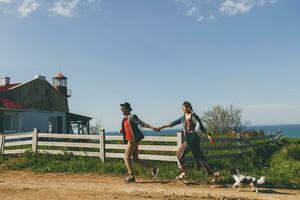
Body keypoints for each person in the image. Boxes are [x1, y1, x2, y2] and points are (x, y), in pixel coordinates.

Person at [158, 101, 220, 182]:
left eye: (184, 107)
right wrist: (162, 127)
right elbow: (172, 124)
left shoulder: (194, 116)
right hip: (188, 139)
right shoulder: (183, 117)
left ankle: (185, 172)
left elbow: (201, 127)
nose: (183, 109)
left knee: (184, 154)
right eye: (182, 108)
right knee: (197, 157)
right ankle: (214, 174)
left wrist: (208, 135)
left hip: (193, 138)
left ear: (188, 107)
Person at [120, 102, 159, 183]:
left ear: (128, 109)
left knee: (126, 158)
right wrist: (122, 130)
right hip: (130, 140)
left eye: (123, 109)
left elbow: (142, 123)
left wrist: (153, 128)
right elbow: (127, 129)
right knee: (136, 159)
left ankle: (131, 176)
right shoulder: (124, 119)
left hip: (133, 140)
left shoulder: (132, 116)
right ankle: (152, 168)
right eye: (121, 109)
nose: (122, 110)